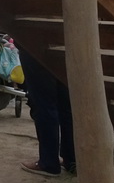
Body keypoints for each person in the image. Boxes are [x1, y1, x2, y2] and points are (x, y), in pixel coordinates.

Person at [19, 47, 76, 176]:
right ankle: (71, 159)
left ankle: (48, 162)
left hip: (34, 47)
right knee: (66, 106)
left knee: (44, 104)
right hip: (64, 47)